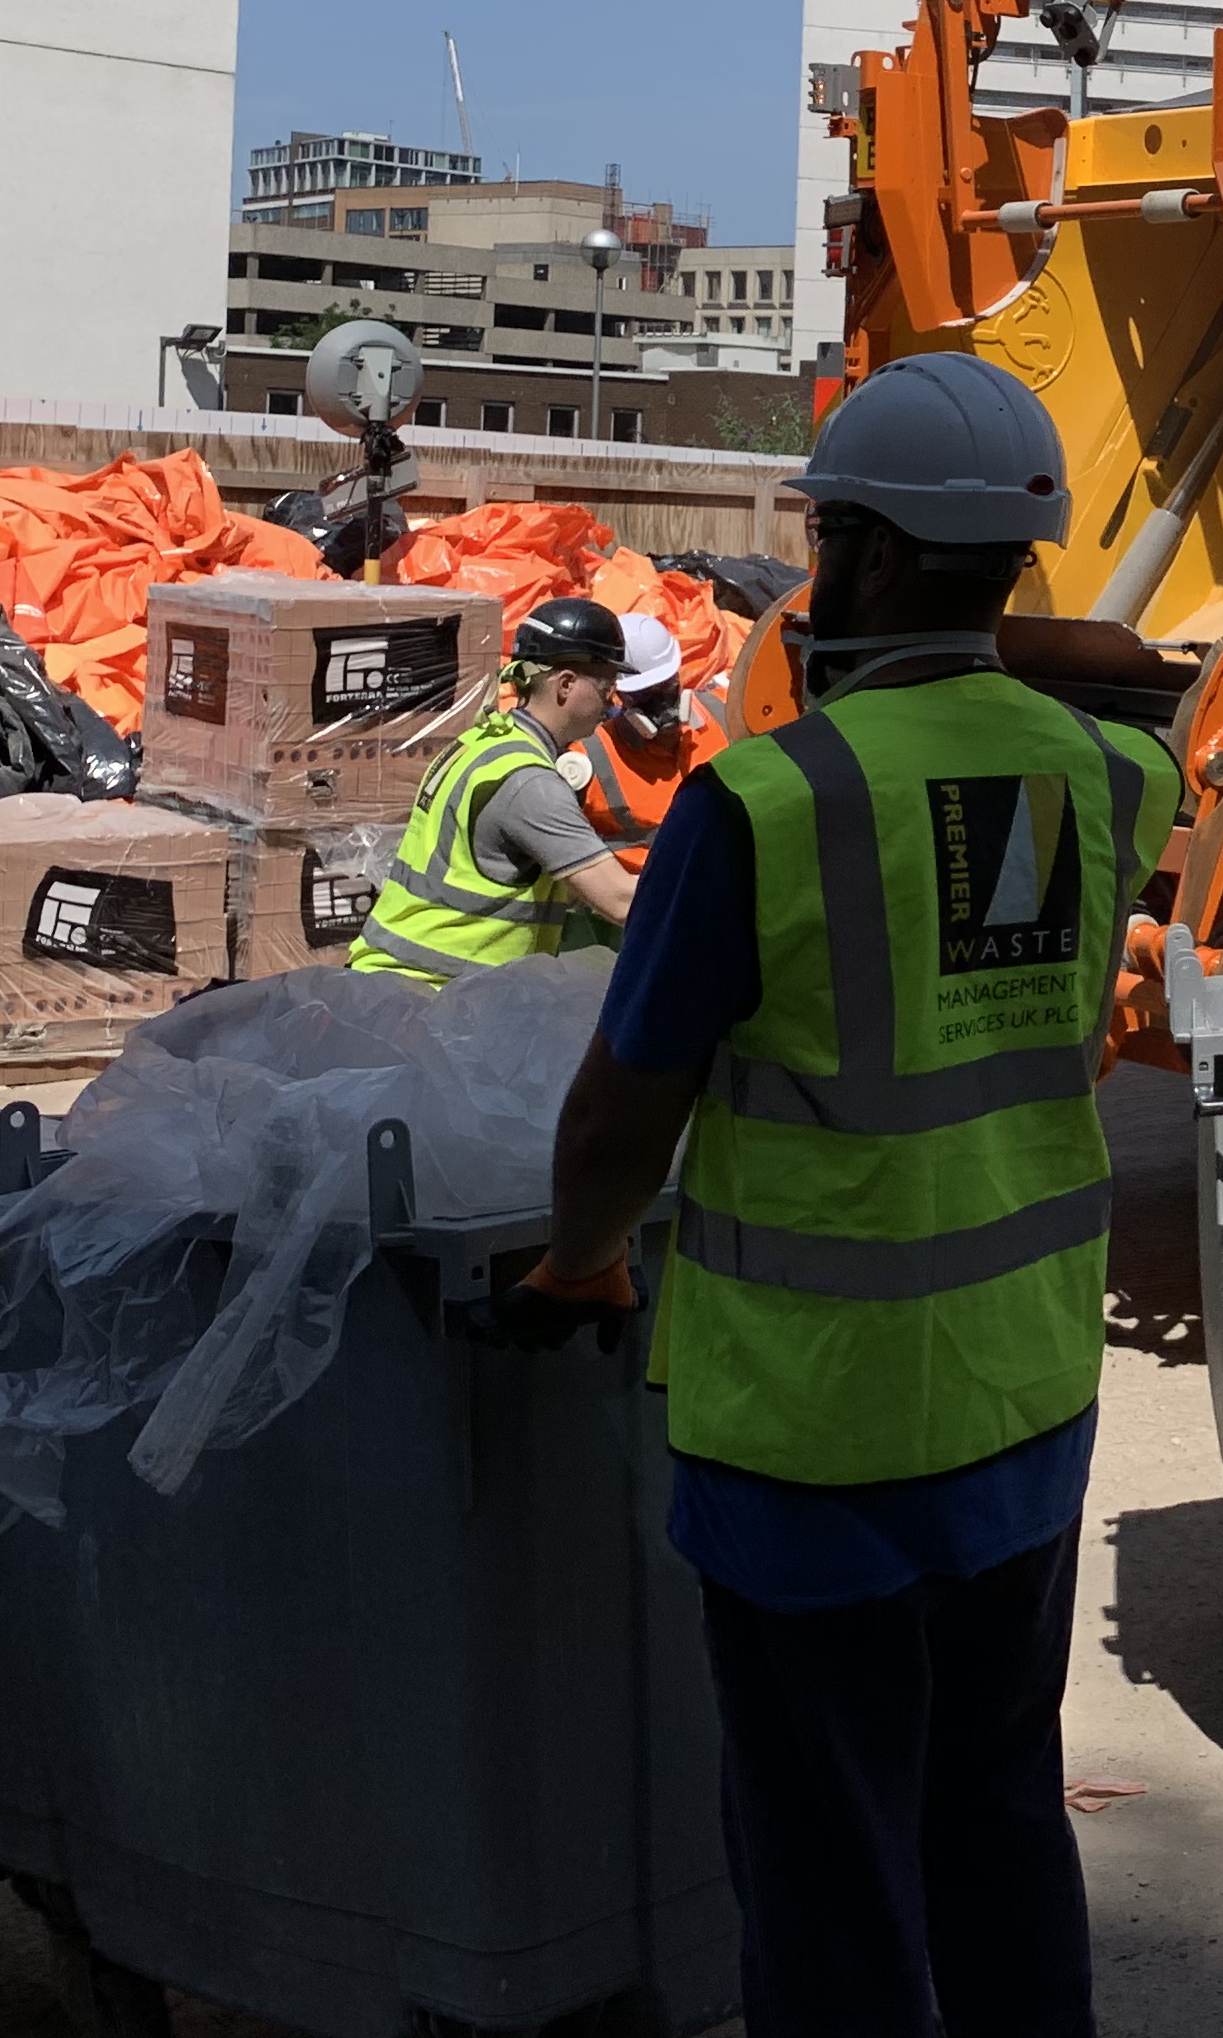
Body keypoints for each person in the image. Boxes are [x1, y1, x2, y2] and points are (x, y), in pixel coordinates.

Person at [500, 354, 1180, 2038]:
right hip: (1023, 1397)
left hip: (813, 1432)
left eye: (828, 539)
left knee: (826, 1856)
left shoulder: (765, 805)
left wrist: (579, 1261)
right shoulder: (1109, 781)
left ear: (863, 557)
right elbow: (1092, 713)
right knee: (999, 1805)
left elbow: (620, 1111)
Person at [346, 596, 645, 981]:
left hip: (391, 978)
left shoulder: (481, 742)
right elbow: (622, 902)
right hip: (440, 995)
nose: (612, 700)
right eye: (606, 684)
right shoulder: (530, 782)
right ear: (566, 685)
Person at [575, 610, 733, 864]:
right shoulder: (590, 758)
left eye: (667, 687)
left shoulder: (726, 713)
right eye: (644, 695)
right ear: (617, 695)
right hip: (643, 895)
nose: (662, 706)